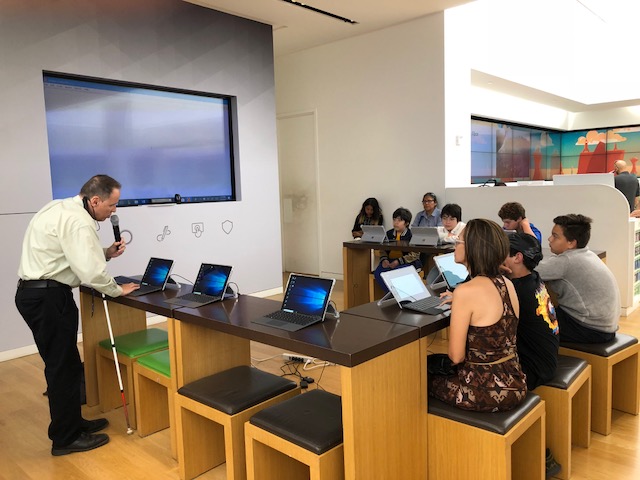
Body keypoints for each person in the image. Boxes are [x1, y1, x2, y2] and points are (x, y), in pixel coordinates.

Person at [15, 174, 140, 456]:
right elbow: (90, 272)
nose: (114, 211)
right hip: (49, 297)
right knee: (62, 368)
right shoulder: (79, 221)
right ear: (95, 200)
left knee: (67, 366)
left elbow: (70, 255)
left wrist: (105, 253)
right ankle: (65, 439)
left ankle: (73, 423)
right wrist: (117, 290)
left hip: (36, 294)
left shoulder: (59, 208)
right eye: (112, 204)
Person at [428, 219, 527, 412]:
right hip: (515, 382)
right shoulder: (507, 283)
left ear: (474, 248)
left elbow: (456, 357)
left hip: (481, 391)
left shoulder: (465, 291)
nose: (455, 244)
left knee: (417, 374)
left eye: (459, 241)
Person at [535, 214, 619, 344]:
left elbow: (528, 271)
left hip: (588, 330)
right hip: (605, 328)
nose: (549, 239)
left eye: (555, 236)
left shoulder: (567, 261)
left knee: (529, 318)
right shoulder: (587, 254)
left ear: (571, 243)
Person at [503, 233, 559, 390]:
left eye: (501, 252)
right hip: (545, 361)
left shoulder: (516, 290)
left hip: (532, 371)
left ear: (517, 257)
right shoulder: (533, 278)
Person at [373, 207, 421, 292]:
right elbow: (382, 249)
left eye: (399, 220)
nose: (396, 223)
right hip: (389, 261)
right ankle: (390, 294)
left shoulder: (412, 235)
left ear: (406, 223)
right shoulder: (388, 233)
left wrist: (398, 261)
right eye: (394, 220)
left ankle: (397, 295)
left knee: (396, 274)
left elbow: (415, 254)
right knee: (378, 273)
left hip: (407, 262)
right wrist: (384, 259)